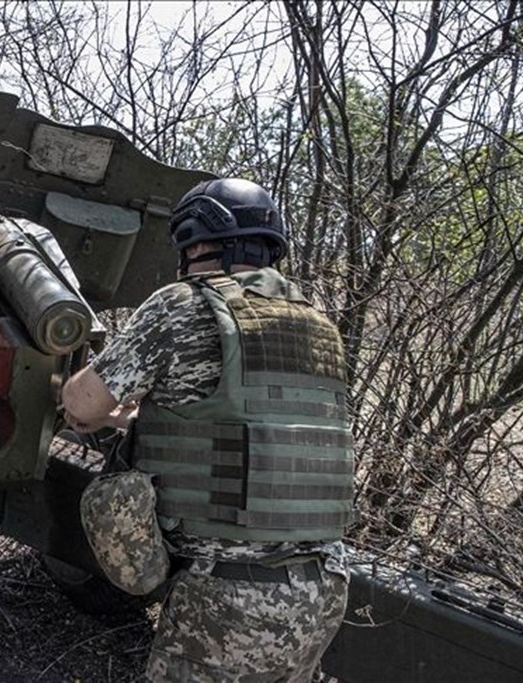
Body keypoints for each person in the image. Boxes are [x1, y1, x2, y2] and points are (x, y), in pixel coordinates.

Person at [62, 178, 354, 682]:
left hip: (230, 599)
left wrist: (95, 408)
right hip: (324, 588)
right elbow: (258, 429)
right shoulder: (319, 325)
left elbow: (82, 404)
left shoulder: (182, 304)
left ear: (198, 242)